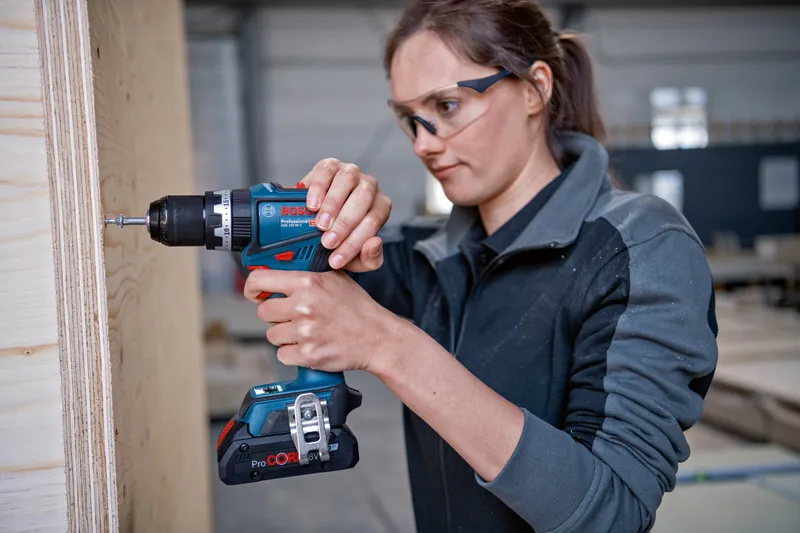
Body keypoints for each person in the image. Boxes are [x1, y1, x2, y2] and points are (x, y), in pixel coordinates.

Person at [243, 1, 719, 531]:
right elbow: (300, 267)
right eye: (409, 118)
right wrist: (324, 209)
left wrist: (389, 345)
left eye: (447, 105)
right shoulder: (429, 254)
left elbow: (612, 513)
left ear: (535, 88)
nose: (423, 143)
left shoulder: (640, 247)